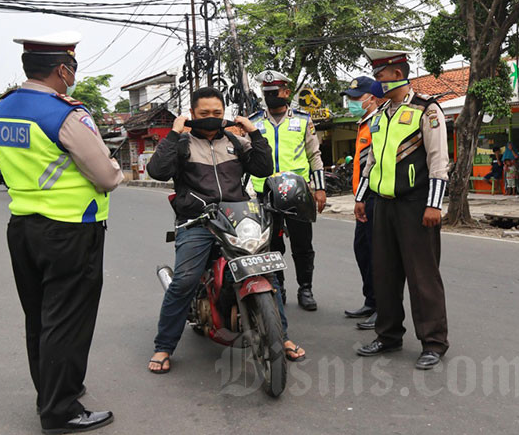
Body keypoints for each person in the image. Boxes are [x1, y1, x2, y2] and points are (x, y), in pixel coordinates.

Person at [0, 31, 123, 435]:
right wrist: (114, 170)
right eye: (73, 69)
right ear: (62, 70)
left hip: (23, 227)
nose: (73, 76)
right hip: (69, 230)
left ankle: (51, 391)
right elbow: (105, 175)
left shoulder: (3, 110)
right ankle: (60, 410)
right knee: (67, 320)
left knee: (41, 317)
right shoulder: (64, 113)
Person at [145, 87, 305, 370]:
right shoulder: (182, 144)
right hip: (197, 221)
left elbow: (263, 168)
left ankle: (283, 335)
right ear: (192, 114)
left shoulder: (234, 141)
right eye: (204, 113)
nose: (211, 118)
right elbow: (157, 171)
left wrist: (254, 133)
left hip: (237, 218)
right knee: (185, 280)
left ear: (224, 114)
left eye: (217, 113)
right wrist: (173, 133)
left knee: (267, 272)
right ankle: (164, 346)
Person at [354, 48, 450, 370]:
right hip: (382, 205)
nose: (376, 82)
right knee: (385, 273)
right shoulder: (380, 116)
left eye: (379, 76)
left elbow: (438, 161)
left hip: (415, 205)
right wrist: (360, 198)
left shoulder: (427, 110)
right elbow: (371, 162)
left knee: (423, 276)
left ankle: (433, 342)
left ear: (397, 74)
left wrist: (434, 205)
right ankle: (389, 335)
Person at [249, 70, 326, 311]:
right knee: (271, 244)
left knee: (302, 244)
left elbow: (314, 155)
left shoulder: (303, 120)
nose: (271, 96)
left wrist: (320, 189)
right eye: (267, 93)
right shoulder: (254, 122)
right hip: (266, 192)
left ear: (286, 93)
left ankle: (306, 288)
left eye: (275, 92)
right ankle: (277, 286)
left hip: (297, 191)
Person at [342, 76, 381, 330]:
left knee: (378, 256)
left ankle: (382, 307)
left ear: (372, 98)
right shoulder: (363, 123)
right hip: (362, 198)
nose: (353, 102)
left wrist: (363, 198)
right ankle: (371, 300)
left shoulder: (379, 123)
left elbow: (374, 165)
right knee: (363, 252)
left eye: (357, 98)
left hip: (374, 198)